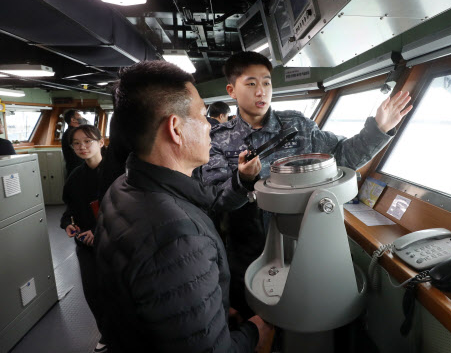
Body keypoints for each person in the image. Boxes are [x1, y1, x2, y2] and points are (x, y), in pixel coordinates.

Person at [202, 51, 413, 318]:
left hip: (304, 242)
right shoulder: (217, 140)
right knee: (254, 320)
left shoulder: (297, 125)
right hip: (248, 251)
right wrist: (243, 181)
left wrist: (378, 130)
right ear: (232, 90)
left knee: (308, 315)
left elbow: (343, 156)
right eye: (251, 83)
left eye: (267, 83)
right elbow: (215, 199)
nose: (261, 91)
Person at [94, 60, 272, 353]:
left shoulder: (123, 187)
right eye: (202, 115)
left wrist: (206, 306)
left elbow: (160, 295)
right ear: (175, 129)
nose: (208, 125)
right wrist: (255, 331)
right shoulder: (178, 237)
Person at [60, 124, 108, 353]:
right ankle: (107, 333)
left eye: (87, 141)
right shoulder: (75, 178)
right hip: (86, 245)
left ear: (101, 141)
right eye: (76, 143)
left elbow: (131, 210)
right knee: (93, 290)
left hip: (117, 241)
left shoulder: (119, 171)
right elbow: (69, 209)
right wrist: (68, 224)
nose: (82, 147)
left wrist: (99, 231)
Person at [61, 109, 84, 177]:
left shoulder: (73, 132)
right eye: (79, 116)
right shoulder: (71, 134)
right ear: (73, 120)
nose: (81, 118)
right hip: (76, 169)